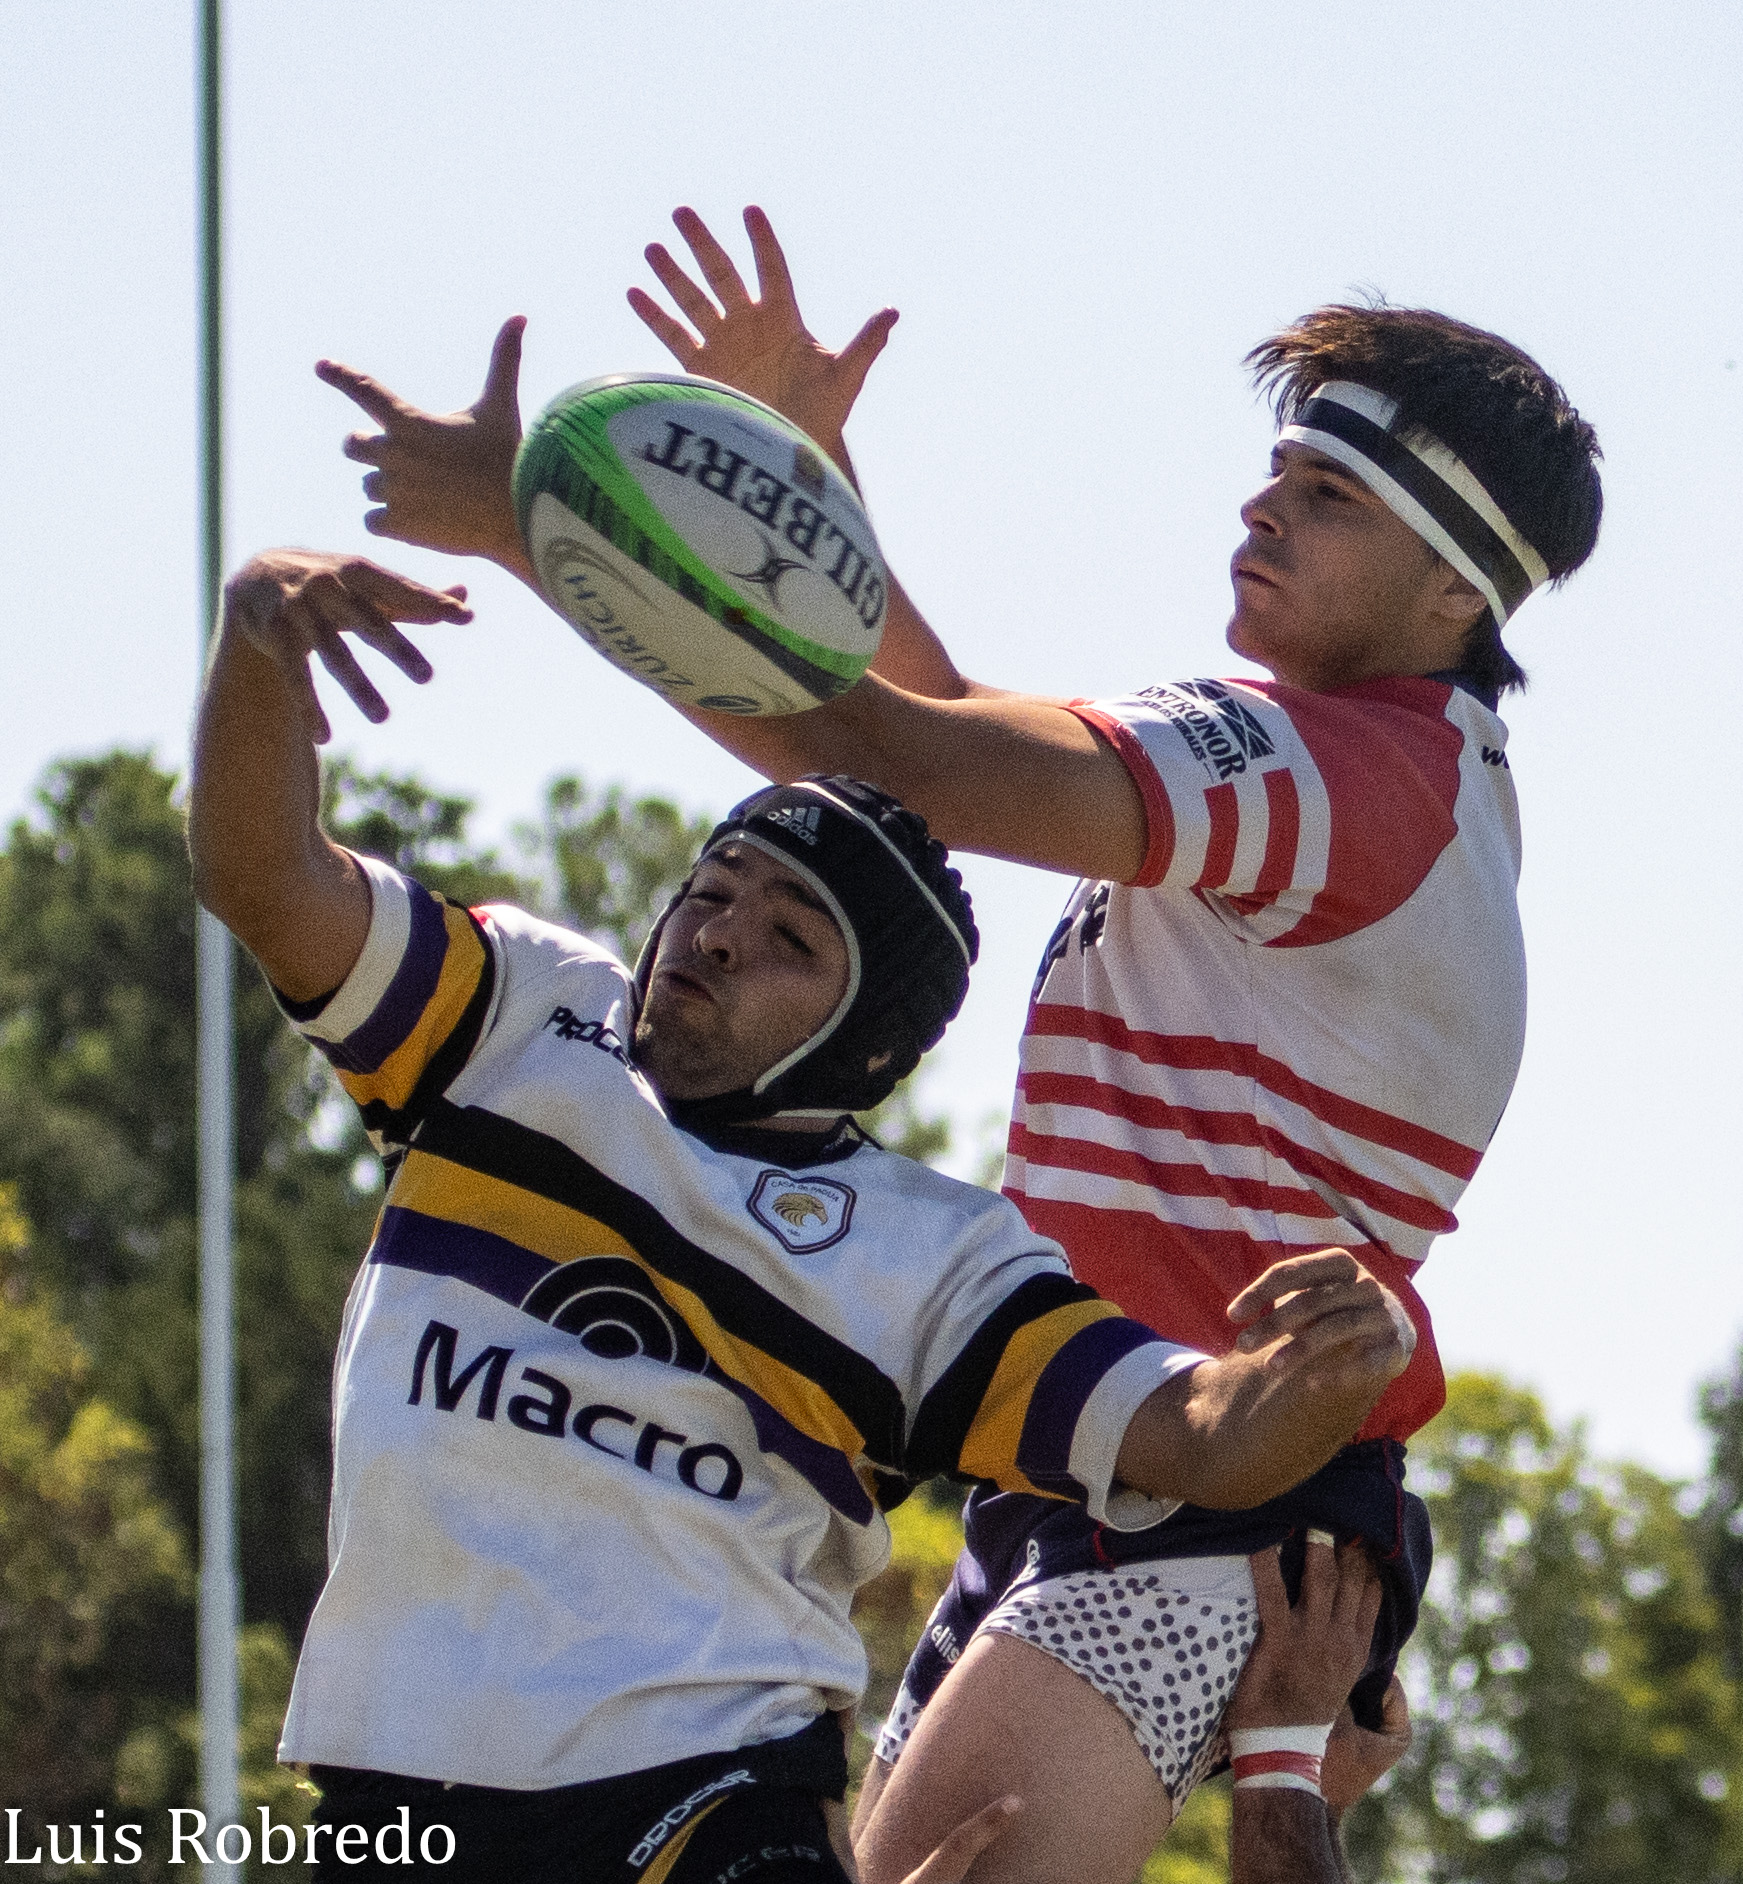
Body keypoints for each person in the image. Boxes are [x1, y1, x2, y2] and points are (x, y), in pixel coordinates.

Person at [312, 205, 1601, 1879]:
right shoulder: (1385, 773)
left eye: (1329, 496)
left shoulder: (1341, 772)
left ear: (1453, 587)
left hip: (1221, 1476)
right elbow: (937, 744)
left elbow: (901, 769)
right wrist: (812, 482)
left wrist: (542, 528)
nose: (1260, 507)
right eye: (1279, 471)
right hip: (1127, 1458)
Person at [188, 547, 1415, 1883]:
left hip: (707, 1793)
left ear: (866, 1046)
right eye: (712, 891)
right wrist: (255, 647)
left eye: (791, 939)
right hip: (396, 1791)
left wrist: (1324, 1365)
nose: (717, 935)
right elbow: (266, 880)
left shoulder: (934, 1260)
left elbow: (1198, 1437)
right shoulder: (514, 1016)